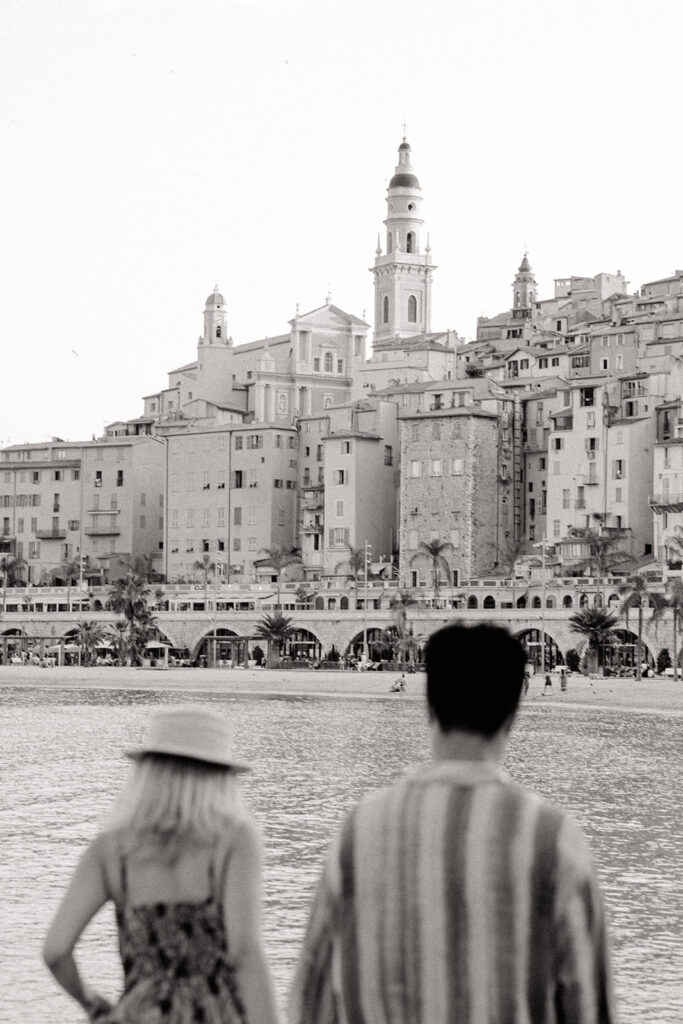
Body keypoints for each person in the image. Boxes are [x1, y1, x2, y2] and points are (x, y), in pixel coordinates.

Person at [289, 623, 615, 1024]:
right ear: (513, 712)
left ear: (429, 708)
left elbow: (311, 998)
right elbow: (588, 1004)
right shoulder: (550, 840)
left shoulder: (361, 831)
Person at [43, 706, 281, 1024]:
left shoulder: (111, 849)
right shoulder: (234, 840)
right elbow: (245, 955)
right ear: (220, 776)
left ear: (148, 770)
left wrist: (93, 1005)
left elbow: (56, 952)